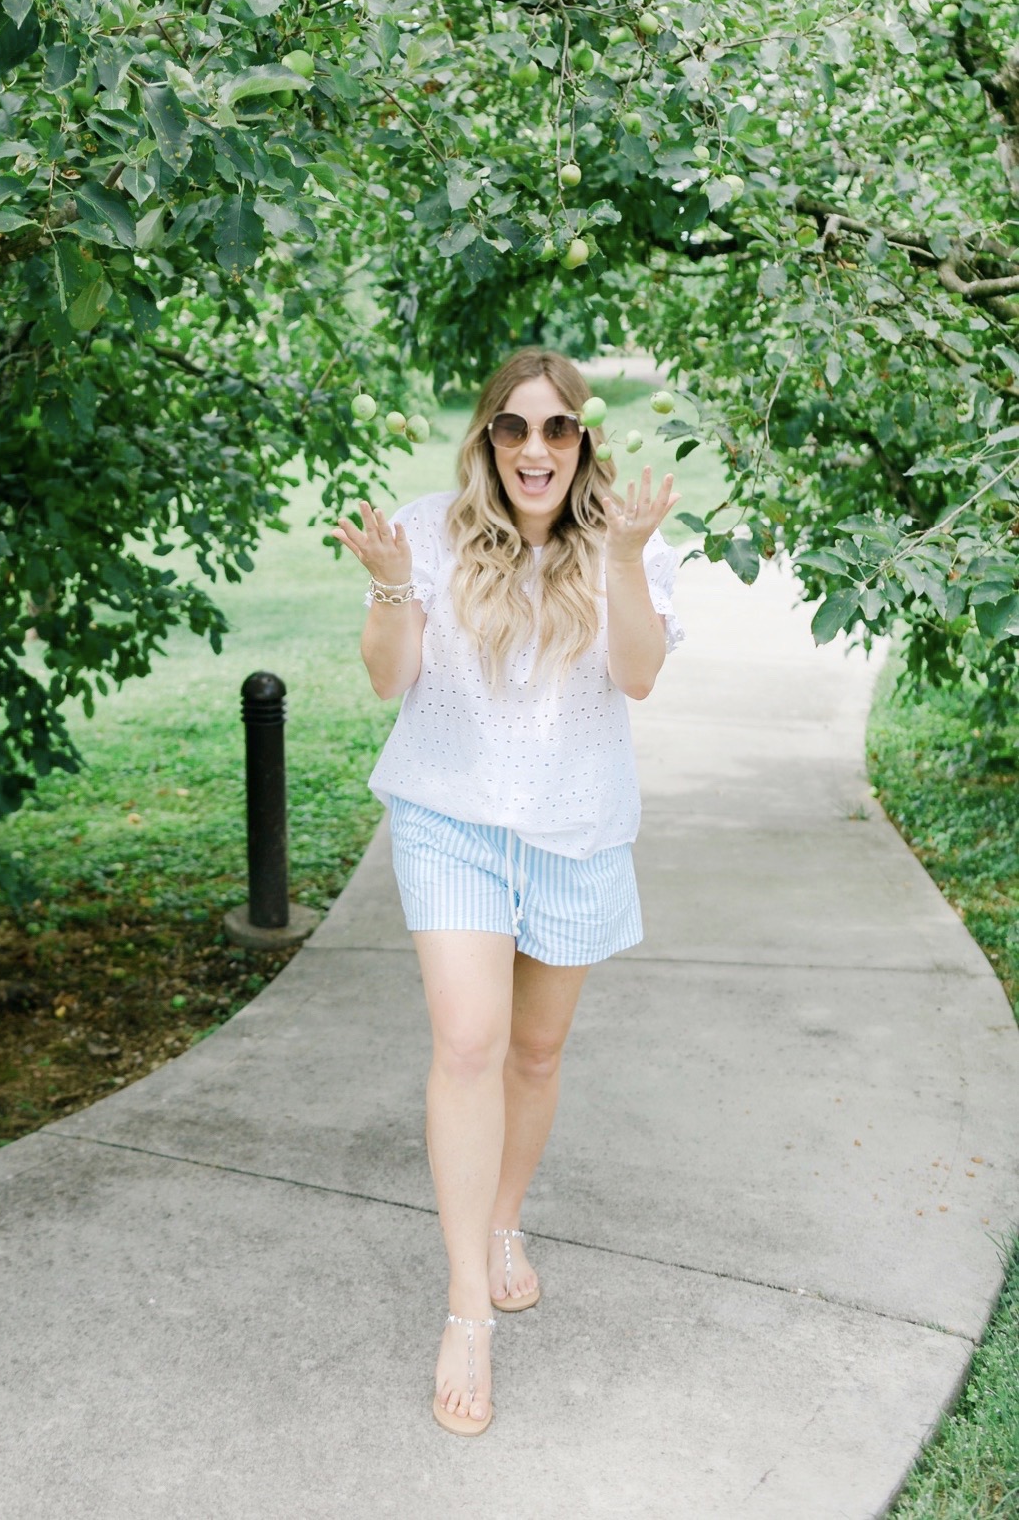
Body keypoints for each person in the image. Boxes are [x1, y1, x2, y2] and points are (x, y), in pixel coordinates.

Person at [330, 347, 683, 1437]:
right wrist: (392, 580)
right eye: (513, 428)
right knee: (471, 1039)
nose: (536, 449)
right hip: (453, 818)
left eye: (558, 429)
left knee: (534, 1050)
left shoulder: (630, 538)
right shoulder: (432, 529)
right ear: (487, 437)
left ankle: (502, 1223)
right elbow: (391, 677)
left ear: (585, 440)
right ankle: (464, 1307)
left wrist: (622, 555)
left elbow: (637, 672)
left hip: (575, 827)